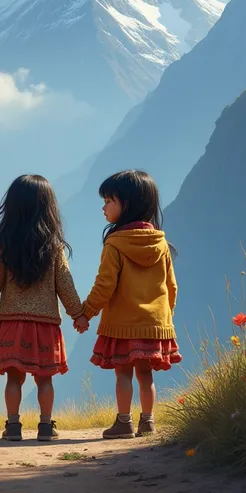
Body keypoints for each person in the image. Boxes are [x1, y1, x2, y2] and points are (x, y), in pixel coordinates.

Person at [0, 175, 88, 442]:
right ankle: (46, 426)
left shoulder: (6, 247)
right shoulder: (55, 248)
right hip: (46, 326)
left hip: (12, 323)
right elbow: (65, 285)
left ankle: (13, 426)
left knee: (14, 380)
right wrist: (78, 314)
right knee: (45, 380)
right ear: (48, 208)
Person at [79, 170, 181, 439]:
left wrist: (85, 313)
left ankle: (123, 423)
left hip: (122, 326)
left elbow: (104, 286)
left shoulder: (115, 244)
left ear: (127, 204)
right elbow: (171, 287)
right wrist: (165, 317)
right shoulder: (161, 244)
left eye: (109, 200)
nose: (103, 207)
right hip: (154, 325)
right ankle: (148, 422)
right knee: (146, 375)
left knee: (123, 373)